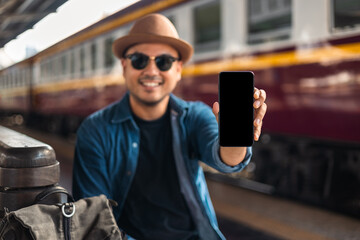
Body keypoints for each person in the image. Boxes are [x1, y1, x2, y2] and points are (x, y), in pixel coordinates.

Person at [72, 13, 267, 240]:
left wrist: (235, 137)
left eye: (164, 61)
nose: (152, 71)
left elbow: (226, 161)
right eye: (139, 60)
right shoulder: (94, 131)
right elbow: (93, 221)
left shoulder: (196, 115)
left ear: (178, 69)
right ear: (124, 66)